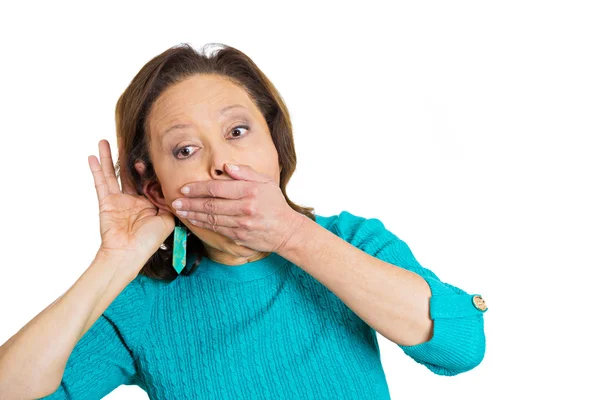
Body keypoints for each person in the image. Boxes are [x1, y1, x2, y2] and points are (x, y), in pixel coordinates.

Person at [0, 43, 488, 400]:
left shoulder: (351, 241)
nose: (220, 162)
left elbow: (460, 346)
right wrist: (114, 262)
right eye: (185, 149)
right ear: (156, 189)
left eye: (237, 130)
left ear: (274, 146)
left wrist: (292, 234)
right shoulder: (143, 305)